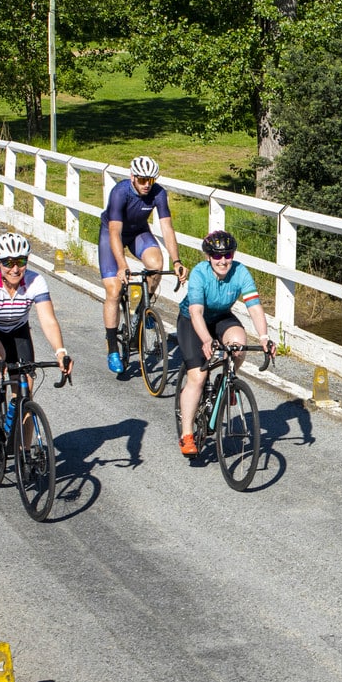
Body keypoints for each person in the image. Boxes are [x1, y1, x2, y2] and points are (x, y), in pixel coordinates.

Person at [0, 232, 73, 443]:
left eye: (21, 261)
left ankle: (26, 455)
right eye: (8, 262)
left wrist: (61, 352)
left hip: (18, 331)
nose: (15, 269)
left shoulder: (36, 281)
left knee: (26, 392)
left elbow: (48, 320)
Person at [177, 228, 273, 456]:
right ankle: (187, 434)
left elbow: (255, 307)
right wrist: (207, 340)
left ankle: (228, 379)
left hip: (220, 317)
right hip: (193, 320)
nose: (223, 261)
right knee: (198, 377)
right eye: (217, 256)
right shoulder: (200, 274)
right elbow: (196, 312)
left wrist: (264, 337)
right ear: (209, 257)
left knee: (238, 344)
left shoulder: (240, 272)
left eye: (228, 255)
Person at [100, 155, 183, 376]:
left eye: (151, 180)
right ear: (133, 177)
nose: (147, 185)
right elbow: (115, 232)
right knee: (114, 289)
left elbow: (167, 229)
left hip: (138, 232)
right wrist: (122, 264)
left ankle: (142, 309)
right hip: (112, 234)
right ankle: (112, 348)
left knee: (156, 265)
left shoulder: (159, 193)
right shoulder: (120, 192)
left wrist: (177, 261)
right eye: (143, 180)